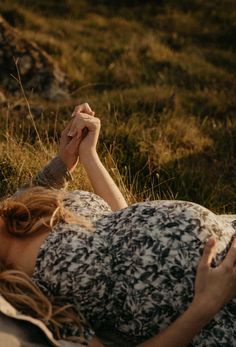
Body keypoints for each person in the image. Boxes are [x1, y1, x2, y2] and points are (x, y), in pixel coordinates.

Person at [0, 103, 236, 347]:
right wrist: (206, 305)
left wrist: (88, 155)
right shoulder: (17, 296)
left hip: (227, 237)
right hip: (220, 308)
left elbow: (123, 221)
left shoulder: (20, 207)